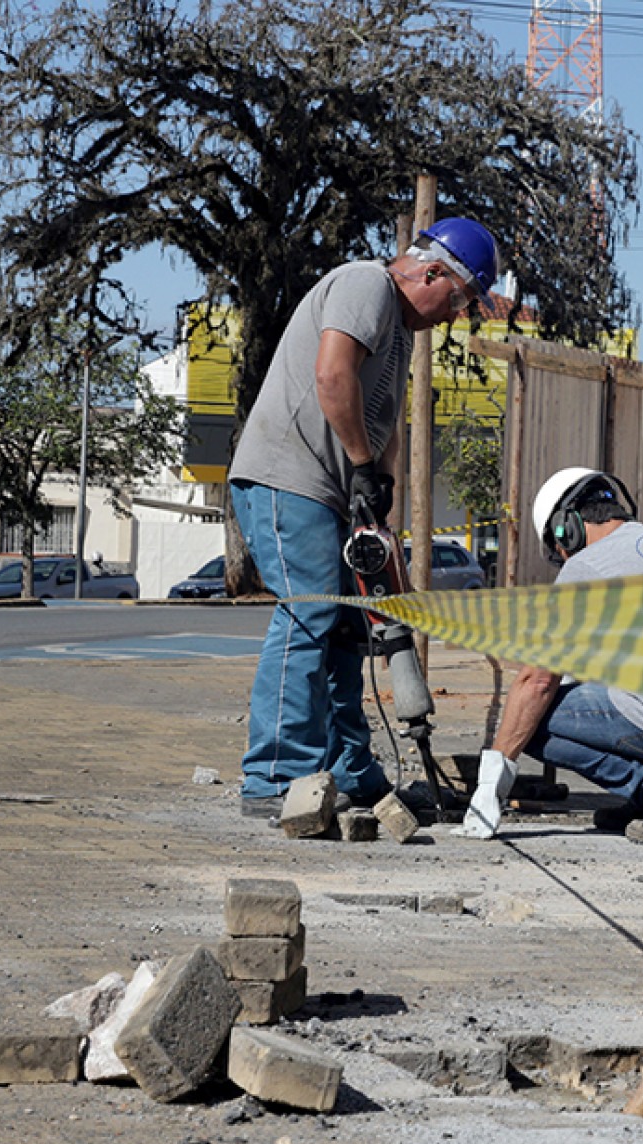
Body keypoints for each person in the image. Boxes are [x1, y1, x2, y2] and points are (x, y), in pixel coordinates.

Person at [227, 217, 500, 817]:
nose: (455, 316)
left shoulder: (401, 336)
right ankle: (275, 777)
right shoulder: (365, 284)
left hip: (333, 491)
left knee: (352, 630)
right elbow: (332, 376)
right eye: (458, 300)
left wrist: (382, 516)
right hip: (287, 478)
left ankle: (350, 770)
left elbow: (385, 432)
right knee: (310, 612)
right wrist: (360, 467)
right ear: (431, 272)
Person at [455, 467, 643, 848]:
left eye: (558, 547)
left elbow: (536, 681)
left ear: (567, 528)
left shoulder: (587, 564)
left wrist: (490, 784)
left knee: (528, 719)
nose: (562, 557)